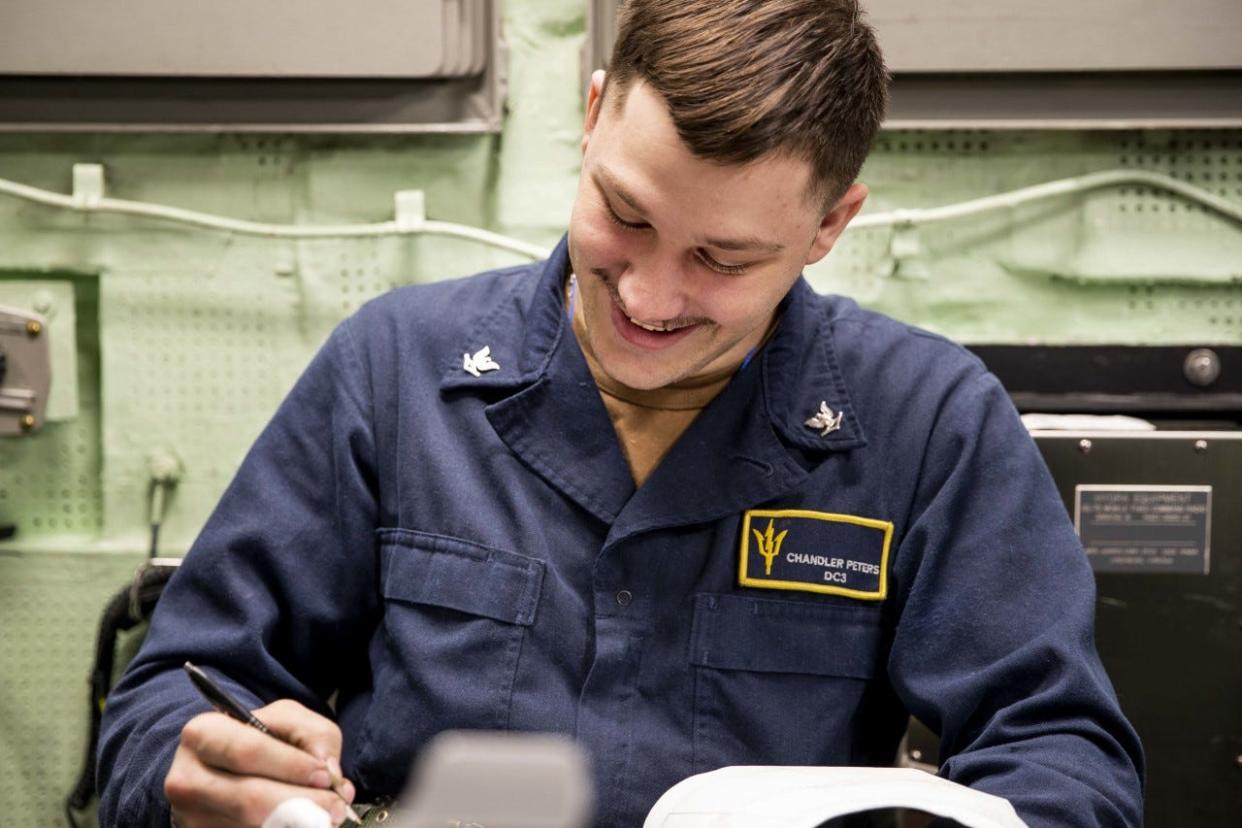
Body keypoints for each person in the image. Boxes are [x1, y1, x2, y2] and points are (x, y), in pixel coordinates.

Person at [97, 1, 1145, 826]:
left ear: (831, 222)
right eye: (623, 216)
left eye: (721, 260)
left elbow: (1064, 759)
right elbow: (168, 706)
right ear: (594, 114)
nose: (646, 297)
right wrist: (201, 770)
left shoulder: (928, 422)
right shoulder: (395, 373)